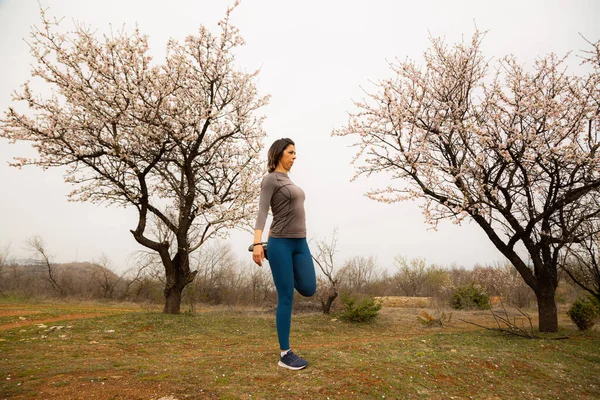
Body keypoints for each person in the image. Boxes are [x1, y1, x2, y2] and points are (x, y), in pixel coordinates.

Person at [252, 138, 317, 370]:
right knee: (286, 296)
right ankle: (285, 354)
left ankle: (276, 258)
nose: (294, 156)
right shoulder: (270, 179)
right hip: (280, 243)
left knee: (309, 288)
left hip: (300, 242)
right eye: (291, 152)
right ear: (279, 154)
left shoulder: (288, 181)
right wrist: (257, 243)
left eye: (295, 152)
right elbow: (262, 211)